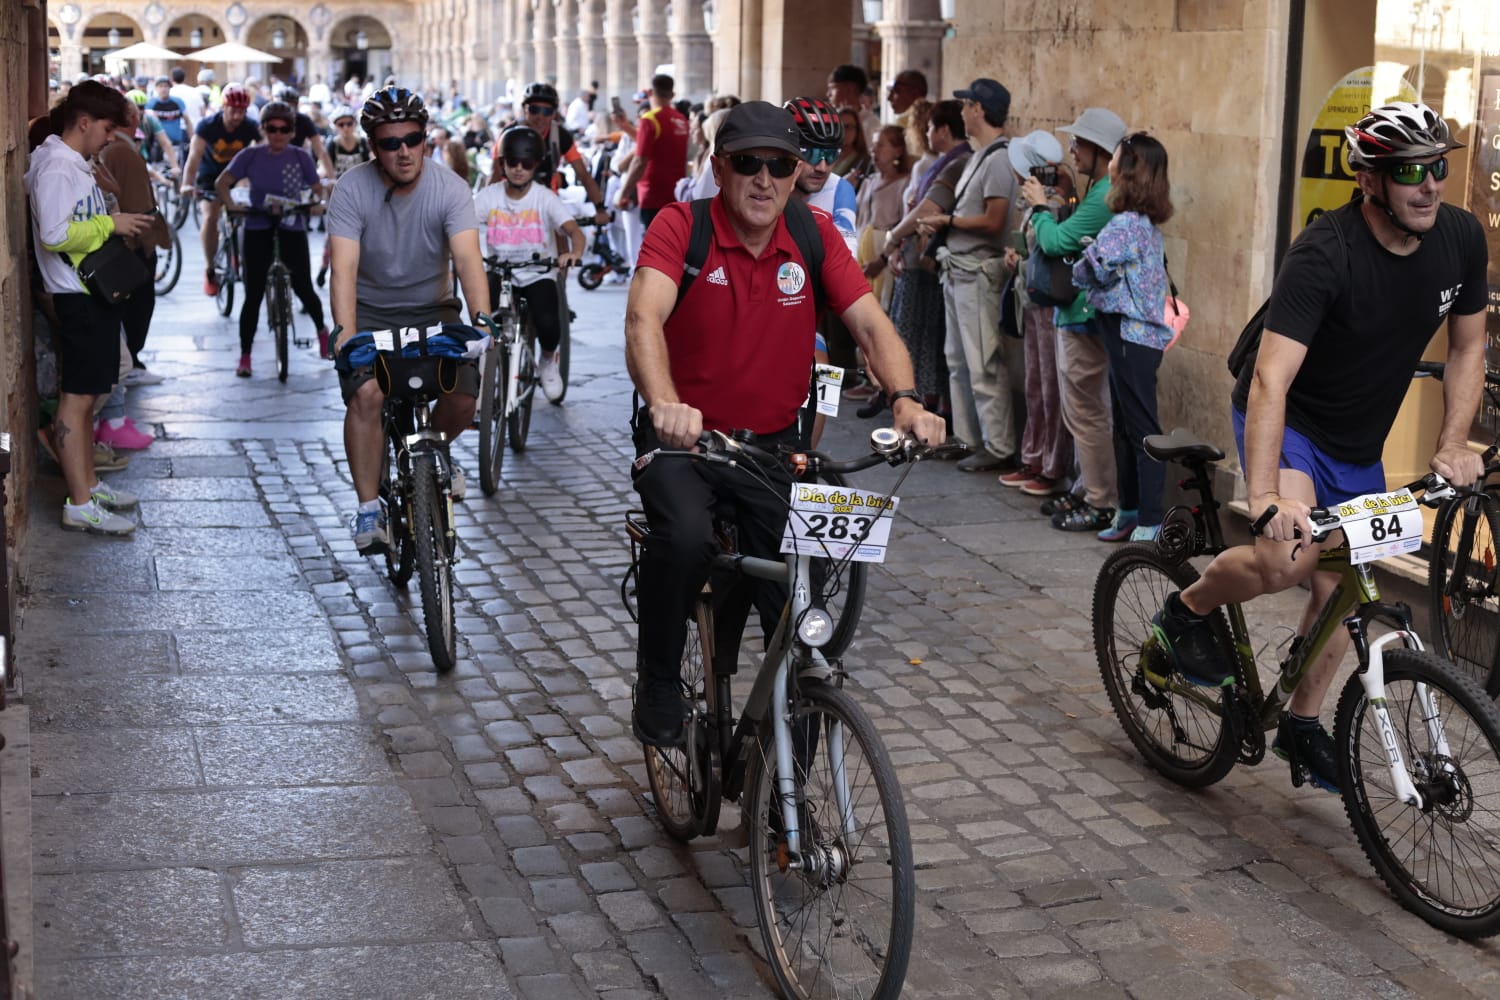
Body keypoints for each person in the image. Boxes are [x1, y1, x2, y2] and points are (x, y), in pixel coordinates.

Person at [1156, 102, 1486, 793]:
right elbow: (1272, 380)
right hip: (1294, 421)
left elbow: (1468, 345)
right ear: (1368, 180)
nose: (1429, 185)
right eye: (1408, 171)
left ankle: (1302, 726)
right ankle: (1184, 611)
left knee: (1348, 588)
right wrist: (1270, 496)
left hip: (1358, 438)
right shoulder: (1325, 252)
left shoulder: (1459, 235)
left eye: (1437, 167)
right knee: (1286, 559)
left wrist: (1453, 441)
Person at [623, 100, 947, 746]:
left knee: (801, 611)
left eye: (780, 165)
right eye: (748, 164)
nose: (765, 179)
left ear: (798, 170)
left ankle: (789, 801)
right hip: (690, 442)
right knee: (684, 538)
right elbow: (642, 321)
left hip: (775, 448)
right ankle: (659, 674)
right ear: (720, 168)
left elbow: (869, 323)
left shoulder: (811, 235)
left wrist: (907, 398)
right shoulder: (678, 228)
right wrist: (664, 402)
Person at [327, 86, 491, 550]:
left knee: (461, 397)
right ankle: (367, 510)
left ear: (426, 140)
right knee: (366, 393)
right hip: (371, 309)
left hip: (432, 308)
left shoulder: (451, 188)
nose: (403, 151)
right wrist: (345, 335)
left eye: (413, 139)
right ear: (372, 147)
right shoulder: (352, 189)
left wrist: (482, 322)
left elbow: (468, 262)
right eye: (389, 142)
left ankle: (434, 449)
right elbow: (344, 270)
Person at [24, 80, 153, 535]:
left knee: (84, 398)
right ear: (84, 122)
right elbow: (56, 235)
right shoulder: (57, 167)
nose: (109, 137)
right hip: (77, 295)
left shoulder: (70, 163)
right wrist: (110, 223)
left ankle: (88, 486)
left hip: (87, 293)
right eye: (106, 128)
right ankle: (79, 502)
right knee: (77, 402)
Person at [1019, 107, 1127, 532]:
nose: (1072, 151)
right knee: (1085, 409)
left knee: (1087, 411)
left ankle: (1100, 498)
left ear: (1100, 150)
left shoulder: (1103, 195)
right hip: (1080, 312)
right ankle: (1090, 488)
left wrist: (1041, 208)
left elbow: (1055, 241)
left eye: (1079, 144)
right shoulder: (1100, 190)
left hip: (1085, 314)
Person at [1070, 132, 1175, 541]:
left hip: (1131, 336)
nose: (1110, 163)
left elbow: (1087, 269)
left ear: (1127, 168)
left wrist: (1086, 254)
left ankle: (1149, 518)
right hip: (1131, 336)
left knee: (1141, 428)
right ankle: (1130, 510)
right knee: (1127, 426)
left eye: (1115, 157)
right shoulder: (1142, 223)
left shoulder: (1126, 224)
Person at [916, 78, 1017, 473]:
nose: (962, 111)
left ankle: (999, 443)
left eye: (967, 104)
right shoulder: (980, 155)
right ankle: (968, 437)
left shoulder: (998, 159)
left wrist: (948, 219)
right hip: (957, 269)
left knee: (982, 363)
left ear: (979, 109)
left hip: (977, 271)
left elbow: (995, 221)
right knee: (957, 360)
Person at [215, 101, 330, 374]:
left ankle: (323, 332)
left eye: (284, 129)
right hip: (257, 225)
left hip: (292, 226)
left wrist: (314, 203)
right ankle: (245, 355)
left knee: (303, 285)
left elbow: (317, 189)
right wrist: (231, 205)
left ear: (292, 131)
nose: (278, 134)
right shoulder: (250, 155)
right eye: (272, 128)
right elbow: (222, 182)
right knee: (253, 293)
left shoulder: (300, 157)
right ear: (263, 129)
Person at [474, 126, 585, 402]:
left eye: (527, 163)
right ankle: (480, 372)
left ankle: (547, 362)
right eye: (513, 162)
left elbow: (574, 231)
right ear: (503, 164)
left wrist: (573, 253)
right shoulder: (488, 196)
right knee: (481, 318)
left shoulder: (544, 196)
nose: (519, 169)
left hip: (537, 273)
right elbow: (464, 226)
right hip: (499, 271)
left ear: (536, 165)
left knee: (549, 323)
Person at [880, 99, 970, 418]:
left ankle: (929, 407)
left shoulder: (957, 163)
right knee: (916, 338)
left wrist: (893, 239)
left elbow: (927, 209)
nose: (928, 133)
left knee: (927, 342)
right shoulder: (946, 162)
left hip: (930, 264)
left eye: (931, 127)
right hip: (918, 259)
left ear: (944, 130)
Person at [1000, 131, 1074, 498]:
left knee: (1049, 386)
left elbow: (1052, 246)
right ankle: (1034, 456)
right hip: (1031, 299)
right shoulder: (1031, 205)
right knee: (1035, 383)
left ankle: (1051, 464)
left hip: (1047, 304)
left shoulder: (1054, 205)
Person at [98, 100, 173, 397]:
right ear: (132, 118)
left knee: (136, 305)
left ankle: (133, 359)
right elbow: (136, 201)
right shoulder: (121, 150)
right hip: (132, 242)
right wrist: (145, 243)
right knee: (139, 305)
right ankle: (132, 361)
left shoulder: (119, 149)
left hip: (125, 238)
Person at [180, 82, 260, 297]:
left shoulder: (250, 126)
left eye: (241, 111)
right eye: (233, 110)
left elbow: (263, 151)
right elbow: (193, 158)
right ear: (223, 107)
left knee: (248, 213)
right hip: (209, 176)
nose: (237, 116)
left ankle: (240, 250)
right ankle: (210, 269)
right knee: (210, 217)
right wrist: (187, 184)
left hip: (236, 176)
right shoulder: (207, 126)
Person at [500, 82, 610, 226]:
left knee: (561, 234)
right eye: (534, 109)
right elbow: (496, 173)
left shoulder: (560, 136)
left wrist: (600, 209)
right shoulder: (508, 134)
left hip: (547, 202)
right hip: (511, 204)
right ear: (524, 109)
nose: (540, 117)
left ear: (554, 114)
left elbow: (583, 175)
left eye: (547, 112)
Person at [615, 73, 690, 231]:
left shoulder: (649, 119)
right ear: (672, 95)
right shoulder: (681, 120)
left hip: (652, 195)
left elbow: (640, 161)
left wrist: (623, 192)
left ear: (649, 93)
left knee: (655, 247)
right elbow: (658, 142)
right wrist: (626, 127)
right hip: (677, 193)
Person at [827, 64, 881, 148]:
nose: (828, 94)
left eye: (832, 88)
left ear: (848, 89)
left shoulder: (872, 124)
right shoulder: (829, 120)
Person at [146, 76, 190, 162]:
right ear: (156, 88)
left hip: (176, 142)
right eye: (160, 86)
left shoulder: (178, 102)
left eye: (166, 86)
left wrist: (191, 139)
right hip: (158, 144)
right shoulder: (151, 103)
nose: (163, 89)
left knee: (178, 167)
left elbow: (187, 121)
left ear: (170, 88)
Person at [831, 105, 872, 189]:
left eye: (848, 127)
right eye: (840, 126)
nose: (844, 131)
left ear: (857, 131)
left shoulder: (865, 161)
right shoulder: (825, 157)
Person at [326, 106, 370, 180]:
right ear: (335, 126)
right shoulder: (333, 144)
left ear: (355, 124)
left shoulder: (362, 142)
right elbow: (327, 168)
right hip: (339, 186)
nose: (345, 128)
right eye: (341, 125)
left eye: (349, 124)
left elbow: (369, 164)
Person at [169, 67, 205, 131]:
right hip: (196, 127)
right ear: (184, 78)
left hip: (178, 129)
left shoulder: (169, 93)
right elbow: (203, 112)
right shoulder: (195, 91)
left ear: (171, 79)